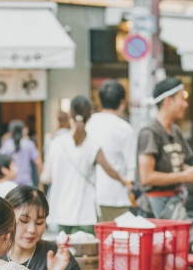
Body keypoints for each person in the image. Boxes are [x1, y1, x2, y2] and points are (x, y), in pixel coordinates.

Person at [41, 95, 130, 234]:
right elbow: (110, 171)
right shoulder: (93, 145)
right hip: (86, 214)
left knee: (64, 253)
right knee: (86, 255)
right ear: (90, 115)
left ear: (70, 114)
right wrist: (124, 181)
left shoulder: (56, 143)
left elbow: (46, 177)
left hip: (60, 213)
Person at [4, 185, 93, 270]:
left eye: (39, 222)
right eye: (23, 221)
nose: (32, 229)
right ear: (6, 219)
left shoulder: (58, 255)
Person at [137, 77, 193, 219]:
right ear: (168, 101)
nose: (185, 104)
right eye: (181, 99)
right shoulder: (150, 132)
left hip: (174, 204)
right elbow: (146, 177)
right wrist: (185, 176)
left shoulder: (175, 131)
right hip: (153, 209)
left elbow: (177, 166)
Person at [87, 80, 137, 221]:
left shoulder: (89, 123)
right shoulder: (125, 129)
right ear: (122, 102)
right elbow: (131, 169)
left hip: (89, 197)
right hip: (116, 197)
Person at [0, 119, 43, 187]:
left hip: (11, 183)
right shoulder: (29, 144)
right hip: (26, 184)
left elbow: (0, 163)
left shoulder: (7, 145)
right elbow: (39, 163)